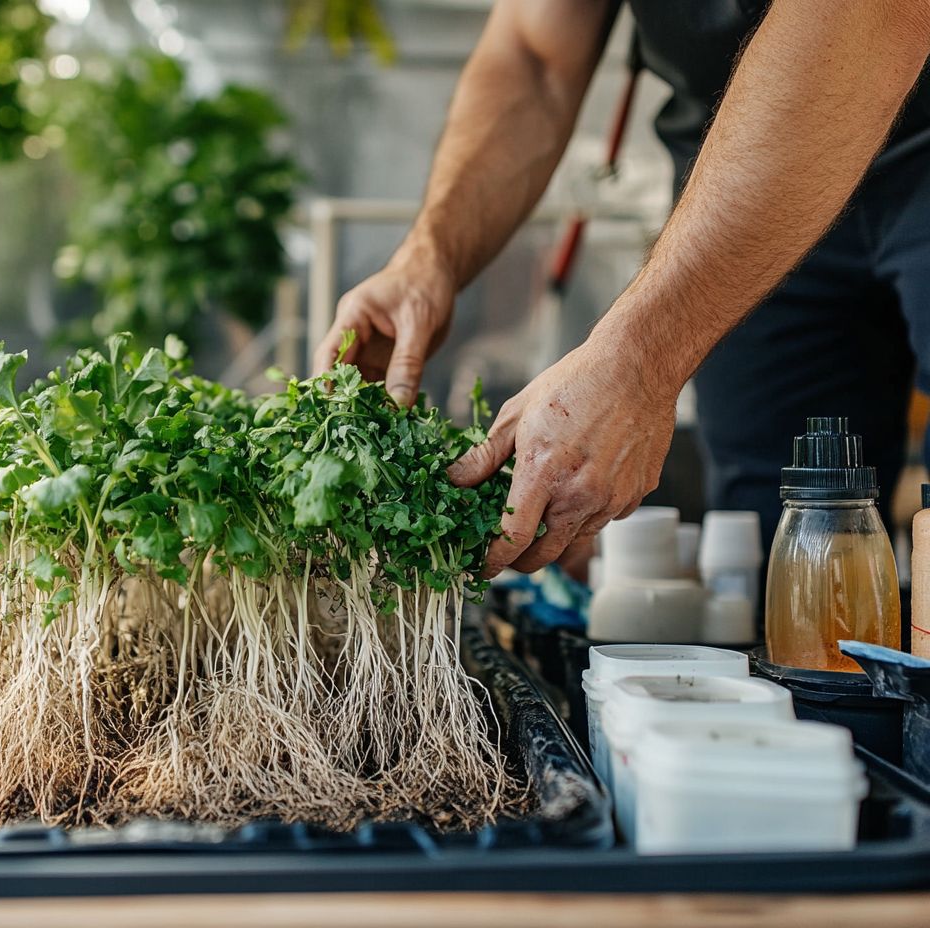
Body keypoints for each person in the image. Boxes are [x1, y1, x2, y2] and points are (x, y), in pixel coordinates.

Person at [314, 1, 930, 579]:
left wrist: (637, 361)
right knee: (783, 542)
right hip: (745, 176)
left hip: (896, 130)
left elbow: (867, 18)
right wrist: (430, 259)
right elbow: (535, 55)